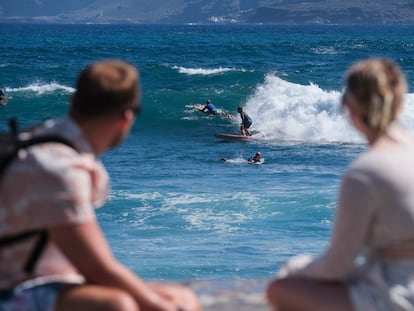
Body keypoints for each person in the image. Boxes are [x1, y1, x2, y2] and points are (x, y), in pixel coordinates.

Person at [0, 60, 201, 311]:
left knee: (183, 298)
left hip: (44, 281)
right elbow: (97, 269)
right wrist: (156, 304)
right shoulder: (61, 167)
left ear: (74, 103)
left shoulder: (47, 139)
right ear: (126, 117)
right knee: (117, 305)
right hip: (12, 289)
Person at [267, 58, 414, 311]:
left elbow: (338, 265)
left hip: (399, 292)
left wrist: (297, 268)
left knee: (280, 289)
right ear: (400, 102)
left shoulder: (366, 172)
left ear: (348, 107)